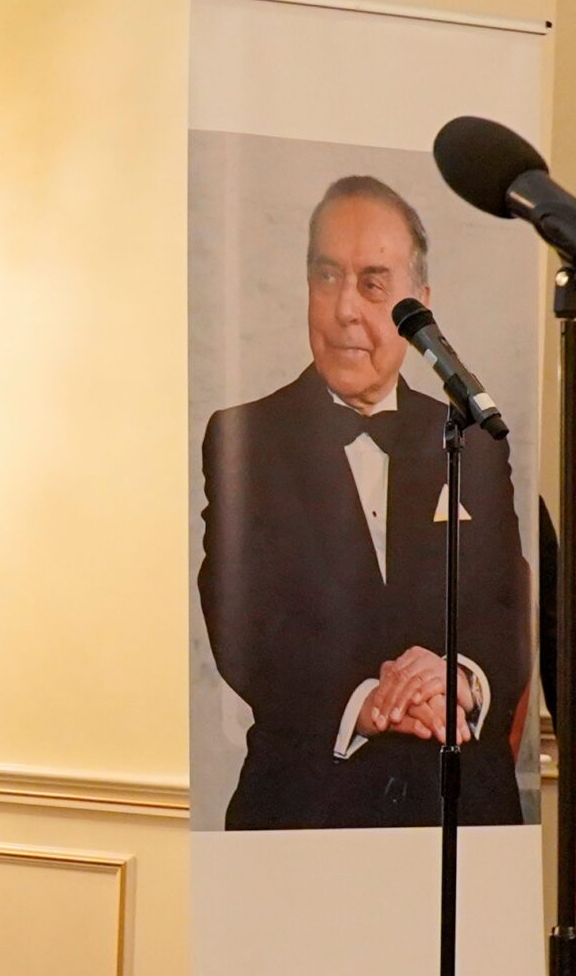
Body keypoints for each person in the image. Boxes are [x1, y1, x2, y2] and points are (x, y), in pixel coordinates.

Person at [197, 175, 528, 829]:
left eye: (373, 284)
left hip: (463, 810)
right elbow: (241, 621)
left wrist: (460, 680)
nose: (345, 308)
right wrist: (367, 702)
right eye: (327, 278)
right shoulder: (244, 439)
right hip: (305, 810)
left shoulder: (473, 437)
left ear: (419, 304)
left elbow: (506, 605)